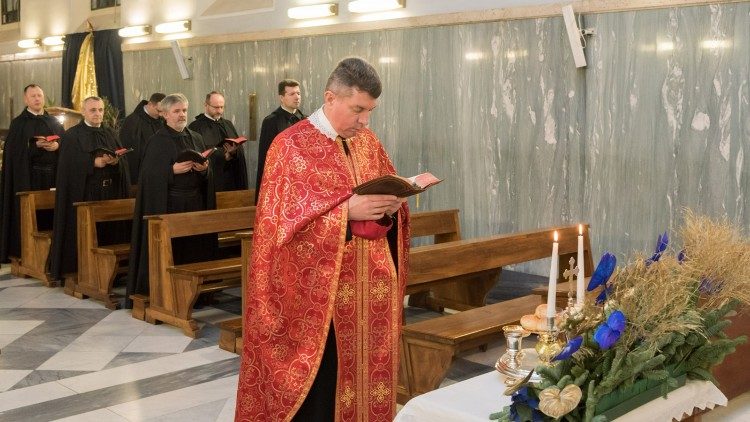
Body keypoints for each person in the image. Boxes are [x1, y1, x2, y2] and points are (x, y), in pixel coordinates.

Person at [235, 58, 410, 422]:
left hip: (368, 291)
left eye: (370, 111)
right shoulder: (290, 146)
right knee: (323, 391)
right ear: (331, 98)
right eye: (358, 110)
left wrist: (391, 204)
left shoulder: (368, 142)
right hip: (315, 301)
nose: (365, 121)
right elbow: (279, 228)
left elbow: (383, 195)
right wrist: (347, 213)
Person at [125, 93, 216, 308]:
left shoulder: (196, 137)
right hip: (170, 206)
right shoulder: (157, 141)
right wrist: (171, 170)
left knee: (194, 249)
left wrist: (204, 170)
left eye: (184, 110)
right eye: (176, 111)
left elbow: (206, 174)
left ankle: (195, 293)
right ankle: (169, 293)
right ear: (165, 114)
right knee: (172, 252)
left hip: (194, 204)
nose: (182, 115)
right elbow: (148, 178)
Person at [47, 96, 131, 282]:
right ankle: (84, 270)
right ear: (83, 112)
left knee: (110, 232)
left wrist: (116, 161)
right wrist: (93, 163)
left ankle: (111, 273)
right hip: (86, 193)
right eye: (93, 110)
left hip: (110, 193)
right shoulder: (72, 135)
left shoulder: (110, 133)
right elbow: (68, 166)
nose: (97, 114)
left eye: (100, 110)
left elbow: (122, 160)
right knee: (87, 234)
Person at [0, 84, 64, 264]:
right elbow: (13, 151)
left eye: (40, 95)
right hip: (29, 178)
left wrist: (57, 146)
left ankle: (52, 255)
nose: (37, 99)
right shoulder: (19, 123)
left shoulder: (53, 122)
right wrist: (33, 145)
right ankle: (28, 252)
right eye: (33, 96)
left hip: (52, 177)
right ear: (26, 99)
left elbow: (66, 145)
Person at [255, 79, 306, 203]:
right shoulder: (271, 121)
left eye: (298, 93)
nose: (297, 97)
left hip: (301, 180)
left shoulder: (306, 120)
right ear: (281, 97)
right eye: (292, 94)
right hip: (280, 180)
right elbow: (266, 157)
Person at [188, 91, 248, 192]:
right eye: (215, 107)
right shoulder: (195, 127)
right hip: (211, 179)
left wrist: (234, 152)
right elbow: (197, 154)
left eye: (222, 107)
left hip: (231, 177)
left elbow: (239, 150)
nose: (219, 111)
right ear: (206, 105)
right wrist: (223, 156)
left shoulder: (228, 124)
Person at [119, 92, 165, 186]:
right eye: (159, 111)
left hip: (161, 172)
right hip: (140, 174)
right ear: (151, 104)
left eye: (163, 112)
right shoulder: (132, 121)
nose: (161, 115)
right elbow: (128, 153)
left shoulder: (162, 120)